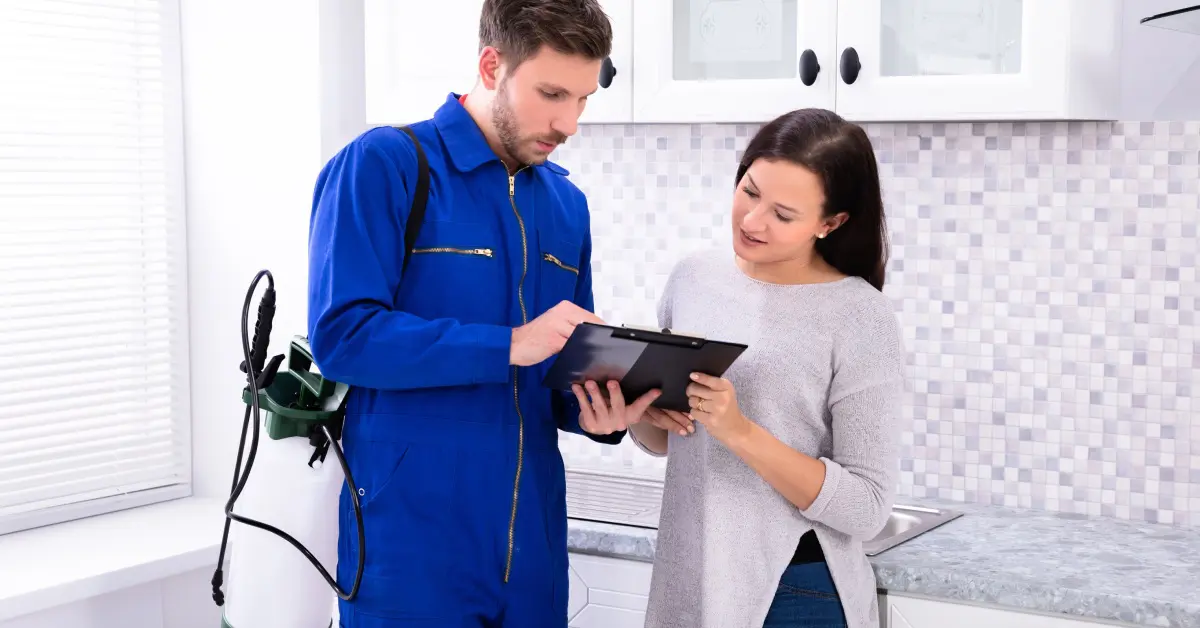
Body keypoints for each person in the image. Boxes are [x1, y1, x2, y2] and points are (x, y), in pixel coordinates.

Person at [305, 1, 658, 626]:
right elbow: (343, 336)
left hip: (534, 556)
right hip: (410, 553)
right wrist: (508, 345)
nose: (568, 122)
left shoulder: (566, 205)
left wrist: (604, 411)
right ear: (491, 65)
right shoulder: (386, 165)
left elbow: (554, 381)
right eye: (551, 94)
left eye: (582, 98)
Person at [618, 108, 907, 628]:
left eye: (783, 214)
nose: (752, 222)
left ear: (831, 222)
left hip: (793, 588)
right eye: (749, 192)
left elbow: (868, 506)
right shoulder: (693, 278)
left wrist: (740, 431)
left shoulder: (860, 315)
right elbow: (670, 439)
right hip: (690, 572)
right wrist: (635, 410)